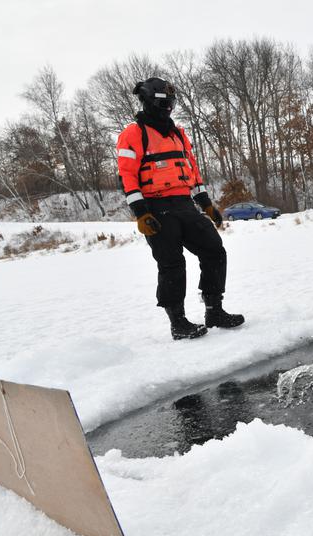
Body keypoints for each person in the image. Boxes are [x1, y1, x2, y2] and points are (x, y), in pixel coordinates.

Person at [116, 77, 244, 340]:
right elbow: (127, 177)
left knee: (214, 250)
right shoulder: (133, 134)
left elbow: (192, 172)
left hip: (184, 203)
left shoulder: (178, 134)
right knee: (171, 263)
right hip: (156, 207)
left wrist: (206, 204)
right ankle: (178, 323)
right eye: (163, 103)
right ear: (149, 101)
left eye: (171, 104)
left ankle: (214, 310)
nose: (168, 109)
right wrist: (141, 213)